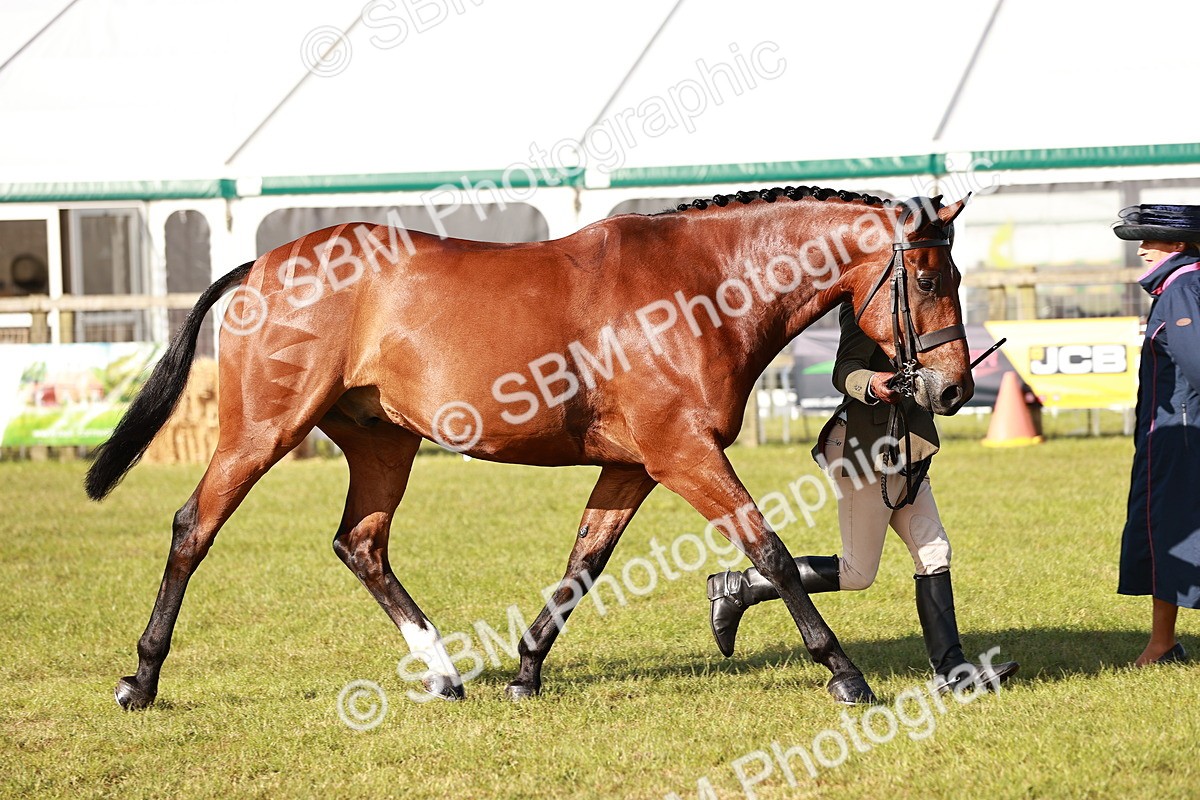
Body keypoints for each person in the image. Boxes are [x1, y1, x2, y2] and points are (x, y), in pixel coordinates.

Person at [706, 302, 1019, 693]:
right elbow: (844, 370)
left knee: (935, 553)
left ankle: (952, 671)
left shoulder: (926, 311)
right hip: (864, 451)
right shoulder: (866, 308)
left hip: (908, 451)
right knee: (858, 573)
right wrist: (873, 383)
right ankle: (742, 586)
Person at [1113, 204, 1200, 666]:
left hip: (1181, 439)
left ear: (1179, 245)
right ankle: (1161, 643)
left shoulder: (1182, 289)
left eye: (1150, 241)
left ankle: (1161, 644)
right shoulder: (1182, 285)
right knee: (1170, 534)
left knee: (1174, 534)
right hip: (1174, 434)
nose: (1142, 250)